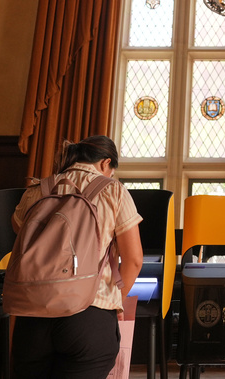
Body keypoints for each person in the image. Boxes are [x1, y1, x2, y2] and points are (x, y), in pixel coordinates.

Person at [10, 135, 144, 379]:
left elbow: (19, 232)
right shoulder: (113, 190)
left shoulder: (37, 189)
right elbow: (134, 259)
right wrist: (116, 300)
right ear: (106, 164)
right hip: (89, 314)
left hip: (31, 316)